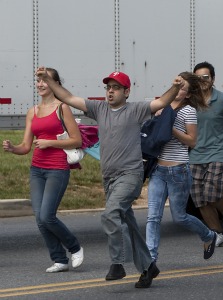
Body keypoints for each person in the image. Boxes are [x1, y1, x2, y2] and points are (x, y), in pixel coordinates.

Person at [35, 67, 184, 288]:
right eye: (108, 88)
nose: (110, 91)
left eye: (116, 88)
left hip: (130, 175)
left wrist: (175, 87)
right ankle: (148, 267)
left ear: (127, 92)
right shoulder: (99, 108)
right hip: (110, 178)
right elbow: (66, 96)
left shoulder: (136, 110)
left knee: (110, 214)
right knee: (128, 223)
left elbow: (161, 102)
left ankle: (117, 263)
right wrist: (48, 80)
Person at [2, 68, 84, 273]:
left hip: (57, 168)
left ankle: (74, 247)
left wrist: (50, 143)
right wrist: (13, 148)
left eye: (45, 80)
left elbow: (77, 140)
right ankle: (59, 260)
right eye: (38, 80)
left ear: (54, 83)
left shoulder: (62, 108)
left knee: (47, 216)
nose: (40, 84)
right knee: (40, 218)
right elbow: (26, 146)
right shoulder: (33, 111)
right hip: (37, 170)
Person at [145, 72, 217, 264]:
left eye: (182, 87)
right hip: (158, 171)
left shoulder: (188, 111)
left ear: (187, 93)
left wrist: (170, 129)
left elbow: (192, 141)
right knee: (153, 217)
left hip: (178, 170)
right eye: (176, 85)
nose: (178, 90)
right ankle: (150, 259)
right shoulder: (162, 106)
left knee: (180, 217)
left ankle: (208, 235)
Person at [190, 61, 223, 247]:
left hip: (220, 151)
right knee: (199, 198)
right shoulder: (190, 100)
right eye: (198, 78)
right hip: (195, 154)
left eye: (206, 77)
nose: (202, 81)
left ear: (212, 79)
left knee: (211, 192)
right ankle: (216, 232)